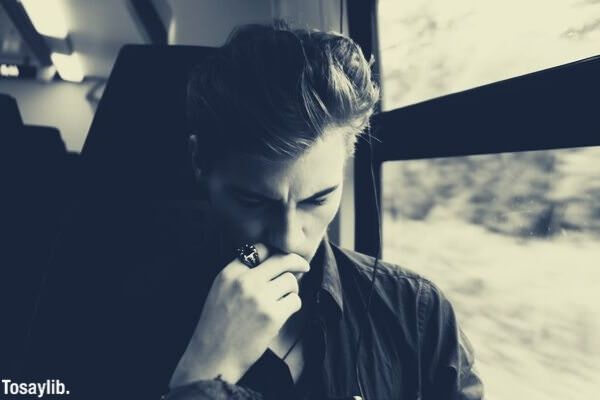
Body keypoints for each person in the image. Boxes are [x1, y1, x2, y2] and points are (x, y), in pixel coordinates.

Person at [162, 23, 484, 400]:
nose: (287, 238)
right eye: (253, 202)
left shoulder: (418, 313)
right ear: (200, 162)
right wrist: (202, 372)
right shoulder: (115, 310)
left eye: (317, 200)